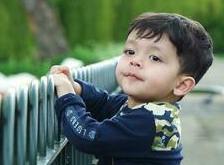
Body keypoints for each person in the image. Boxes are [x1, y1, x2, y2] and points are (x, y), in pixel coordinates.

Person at [50, 12, 214, 165]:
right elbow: (104, 103)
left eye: (154, 58)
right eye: (130, 51)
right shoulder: (145, 108)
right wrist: (77, 88)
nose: (135, 61)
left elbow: (88, 137)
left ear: (180, 85)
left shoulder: (149, 122)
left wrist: (67, 95)